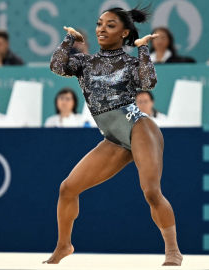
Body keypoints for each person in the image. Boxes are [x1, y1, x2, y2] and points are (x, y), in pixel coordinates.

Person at [45, 4, 183, 266]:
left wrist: (142, 48)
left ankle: (173, 250)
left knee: (151, 192)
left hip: (138, 126)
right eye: (99, 24)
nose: (101, 29)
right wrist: (69, 38)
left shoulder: (130, 63)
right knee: (67, 189)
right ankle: (64, 245)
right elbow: (56, 65)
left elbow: (148, 82)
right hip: (115, 139)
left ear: (124, 33)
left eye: (110, 25)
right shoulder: (84, 62)